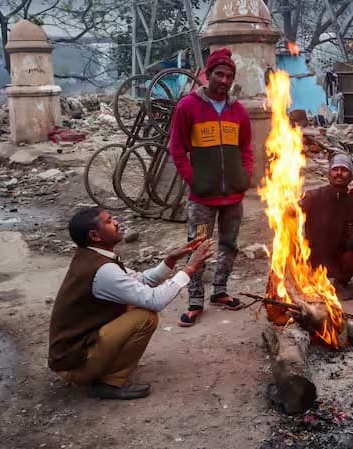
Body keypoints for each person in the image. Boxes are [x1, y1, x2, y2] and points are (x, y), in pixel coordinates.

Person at [48, 208, 214, 400]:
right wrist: (190, 268)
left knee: (136, 306)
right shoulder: (103, 270)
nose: (117, 222)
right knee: (144, 316)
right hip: (74, 365)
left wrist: (171, 260)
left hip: (74, 354)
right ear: (94, 235)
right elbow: (155, 300)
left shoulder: (93, 257)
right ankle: (111, 381)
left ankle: (104, 368)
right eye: (109, 221)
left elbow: (141, 280)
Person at [169, 48, 253, 326]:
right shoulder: (188, 107)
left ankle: (220, 291)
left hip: (233, 197)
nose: (224, 80)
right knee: (198, 246)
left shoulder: (238, 110)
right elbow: (177, 149)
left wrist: (245, 175)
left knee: (229, 245)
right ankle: (195, 300)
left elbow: (246, 149)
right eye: (219, 74)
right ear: (207, 74)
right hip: (202, 199)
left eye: (229, 75)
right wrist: (194, 180)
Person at [301, 153, 353, 301]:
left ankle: (340, 282)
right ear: (328, 174)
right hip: (316, 257)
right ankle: (318, 280)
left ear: (351, 175)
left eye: (344, 169)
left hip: (341, 257)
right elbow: (291, 213)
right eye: (335, 169)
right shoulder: (313, 196)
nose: (339, 173)